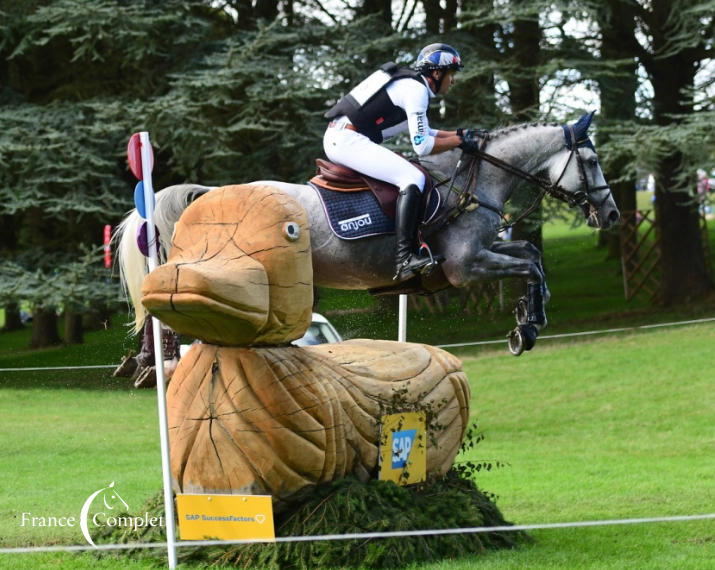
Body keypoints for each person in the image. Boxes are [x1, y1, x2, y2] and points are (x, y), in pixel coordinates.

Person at [323, 43, 477, 281]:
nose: (453, 81)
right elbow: (422, 146)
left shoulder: (410, 85)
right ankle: (405, 258)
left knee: (411, 174)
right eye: (452, 74)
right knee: (412, 177)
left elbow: (426, 132)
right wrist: (458, 141)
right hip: (347, 140)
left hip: (343, 136)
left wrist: (460, 135)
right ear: (437, 73)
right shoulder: (416, 90)